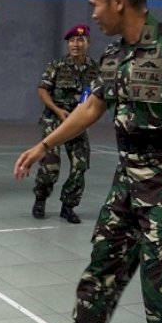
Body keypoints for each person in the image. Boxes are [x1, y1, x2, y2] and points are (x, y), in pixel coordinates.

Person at [15, 0, 162, 323]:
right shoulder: (114, 56)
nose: (94, 16)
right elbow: (90, 108)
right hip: (127, 180)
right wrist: (43, 145)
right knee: (103, 264)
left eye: (96, 5)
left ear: (118, 1)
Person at [31, 24, 100, 223]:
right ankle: (40, 199)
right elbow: (42, 90)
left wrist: (87, 116)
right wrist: (57, 110)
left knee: (80, 165)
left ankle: (68, 206)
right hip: (54, 118)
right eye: (71, 41)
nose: (75, 44)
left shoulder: (95, 69)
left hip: (78, 122)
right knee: (50, 166)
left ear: (88, 43)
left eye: (80, 40)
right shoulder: (57, 65)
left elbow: (98, 96)